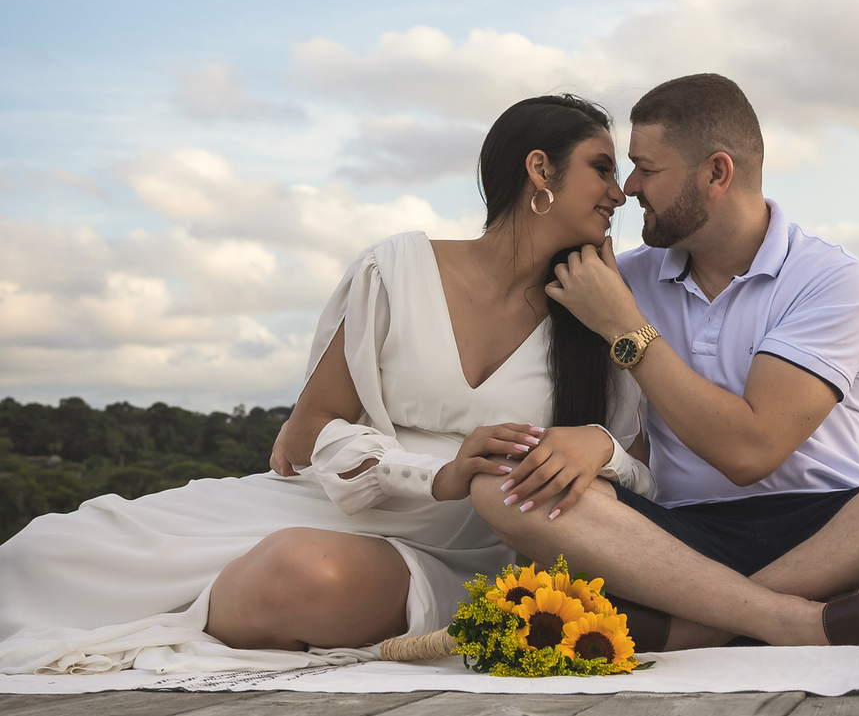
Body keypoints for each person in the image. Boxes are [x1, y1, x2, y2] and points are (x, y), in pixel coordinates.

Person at [0, 94, 654, 676]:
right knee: (48, 551)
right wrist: (434, 474)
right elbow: (310, 427)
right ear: (540, 170)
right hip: (344, 500)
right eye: (601, 167)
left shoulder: (599, 308)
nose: (620, 193)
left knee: (301, 576)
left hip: (468, 552)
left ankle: (197, 620)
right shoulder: (398, 269)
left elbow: (636, 464)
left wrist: (590, 435)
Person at [469, 73, 859, 649]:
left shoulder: (831, 278)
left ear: (716, 174)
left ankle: (701, 626)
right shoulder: (617, 280)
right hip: (680, 540)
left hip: (834, 528)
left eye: (647, 169)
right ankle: (794, 620)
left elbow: (749, 451)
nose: (629, 188)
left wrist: (625, 327)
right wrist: (596, 442)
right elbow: (617, 429)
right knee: (502, 485)